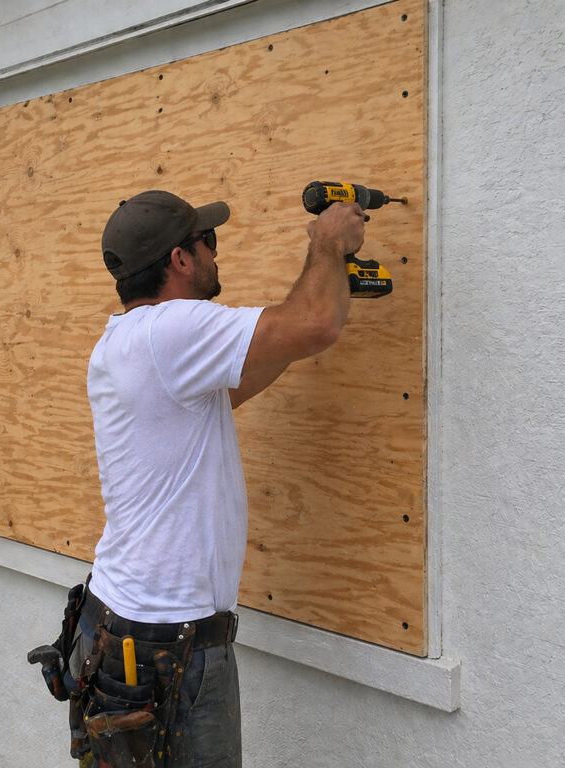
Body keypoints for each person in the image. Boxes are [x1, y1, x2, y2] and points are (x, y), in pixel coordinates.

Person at [70, 190, 365, 767]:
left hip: (115, 621)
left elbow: (240, 381)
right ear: (180, 260)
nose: (214, 252)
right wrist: (328, 246)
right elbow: (317, 325)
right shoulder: (173, 328)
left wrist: (307, 310)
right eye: (207, 241)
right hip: (166, 642)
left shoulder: (124, 342)